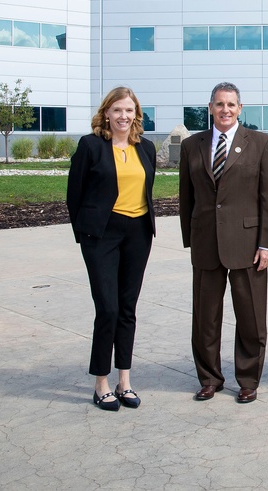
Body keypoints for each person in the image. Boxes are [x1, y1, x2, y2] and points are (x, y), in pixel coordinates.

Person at [179, 82, 268, 404]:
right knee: (204, 318)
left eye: (231, 104)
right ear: (210, 107)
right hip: (206, 243)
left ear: (241, 109)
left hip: (248, 244)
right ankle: (209, 378)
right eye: (219, 104)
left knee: (251, 318)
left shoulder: (261, 143)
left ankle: (248, 379)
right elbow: (187, 195)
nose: (225, 110)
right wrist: (190, 240)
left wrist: (267, 244)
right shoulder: (192, 145)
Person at [67, 86, 156, 411]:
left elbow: (147, 189)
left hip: (138, 234)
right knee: (107, 308)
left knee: (127, 308)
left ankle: (124, 381)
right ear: (106, 112)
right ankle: (101, 383)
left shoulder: (145, 148)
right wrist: (85, 235)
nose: (123, 116)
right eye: (117, 110)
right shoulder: (91, 146)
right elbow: (73, 195)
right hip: (101, 236)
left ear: (136, 115)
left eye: (129, 110)